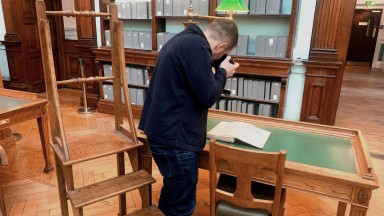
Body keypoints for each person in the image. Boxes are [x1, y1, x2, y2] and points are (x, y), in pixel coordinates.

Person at [138, 19, 239, 216]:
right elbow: (208, 96)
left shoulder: (183, 39)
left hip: (162, 131)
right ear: (221, 45)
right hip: (175, 139)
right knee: (183, 204)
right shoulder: (197, 46)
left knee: (173, 190)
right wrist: (223, 73)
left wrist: (217, 66)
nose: (217, 56)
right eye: (221, 53)